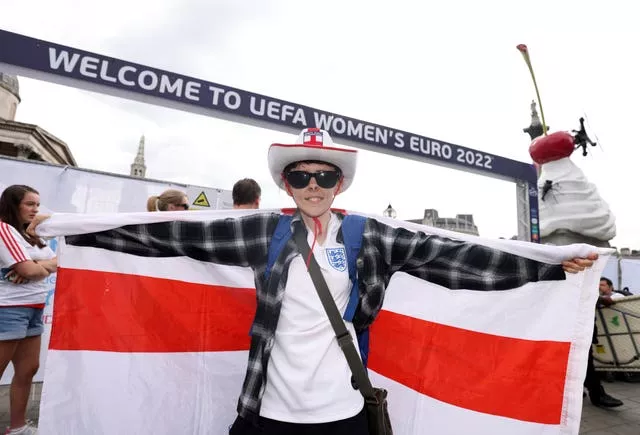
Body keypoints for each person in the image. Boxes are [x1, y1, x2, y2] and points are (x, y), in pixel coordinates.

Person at [28, 128, 597, 435]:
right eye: (302, 176)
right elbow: (172, 236)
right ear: (286, 183)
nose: (314, 184)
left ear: (339, 184)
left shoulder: (370, 237)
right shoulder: (263, 235)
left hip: (344, 414)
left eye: (325, 176)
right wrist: (78, 229)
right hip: (265, 412)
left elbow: (455, 259)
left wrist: (546, 266)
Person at [0, 185, 57, 435]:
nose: (35, 210)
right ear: (13, 205)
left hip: (34, 307)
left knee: (28, 370)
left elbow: (56, 262)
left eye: (37, 204)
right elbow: (28, 271)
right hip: (8, 309)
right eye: (29, 204)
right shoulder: (4, 229)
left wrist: (36, 265)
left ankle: (18, 427)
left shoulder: (33, 234)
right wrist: (36, 267)